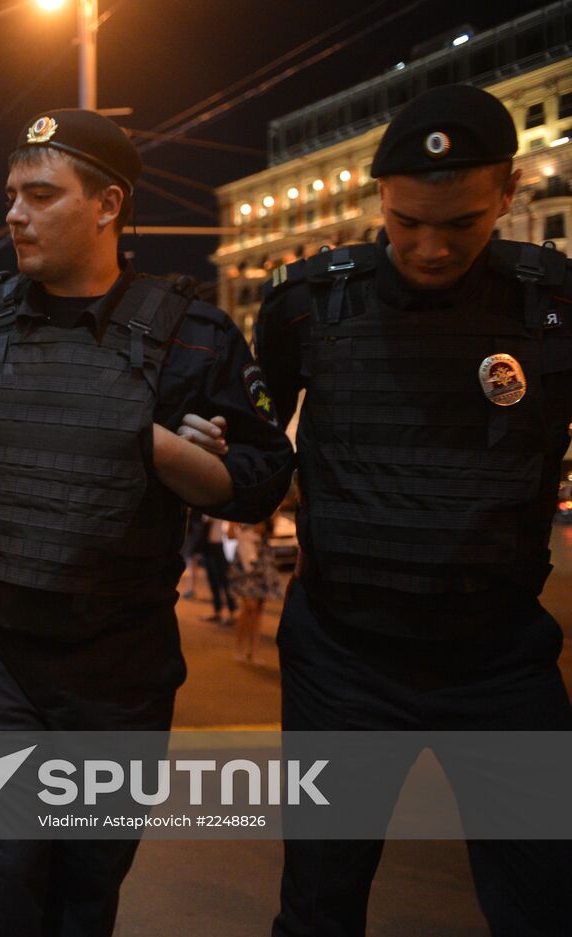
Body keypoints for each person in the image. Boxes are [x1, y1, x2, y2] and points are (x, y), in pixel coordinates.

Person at [0, 109, 294, 937]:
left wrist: (164, 449)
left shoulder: (194, 338)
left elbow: (259, 479)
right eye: (11, 194)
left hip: (118, 672)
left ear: (108, 204)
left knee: (84, 894)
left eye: (40, 195)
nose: (14, 213)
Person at [254, 84, 572, 937]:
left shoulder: (553, 306)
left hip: (499, 658)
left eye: (461, 223)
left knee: (547, 901)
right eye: (405, 221)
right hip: (342, 658)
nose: (430, 247)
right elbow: (255, 452)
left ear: (508, 193)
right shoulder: (306, 303)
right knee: (318, 907)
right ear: (377, 196)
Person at [228, 518, 275, 662]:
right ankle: (239, 648)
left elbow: (272, 532)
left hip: (262, 567)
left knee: (258, 612)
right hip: (244, 570)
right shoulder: (244, 517)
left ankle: (253, 652)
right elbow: (230, 534)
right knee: (248, 607)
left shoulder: (266, 516)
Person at [201, 513, 237, 624]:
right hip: (207, 546)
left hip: (218, 546)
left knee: (224, 579)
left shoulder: (217, 507)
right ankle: (217, 611)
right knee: (212, 580)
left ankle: (233, 612)